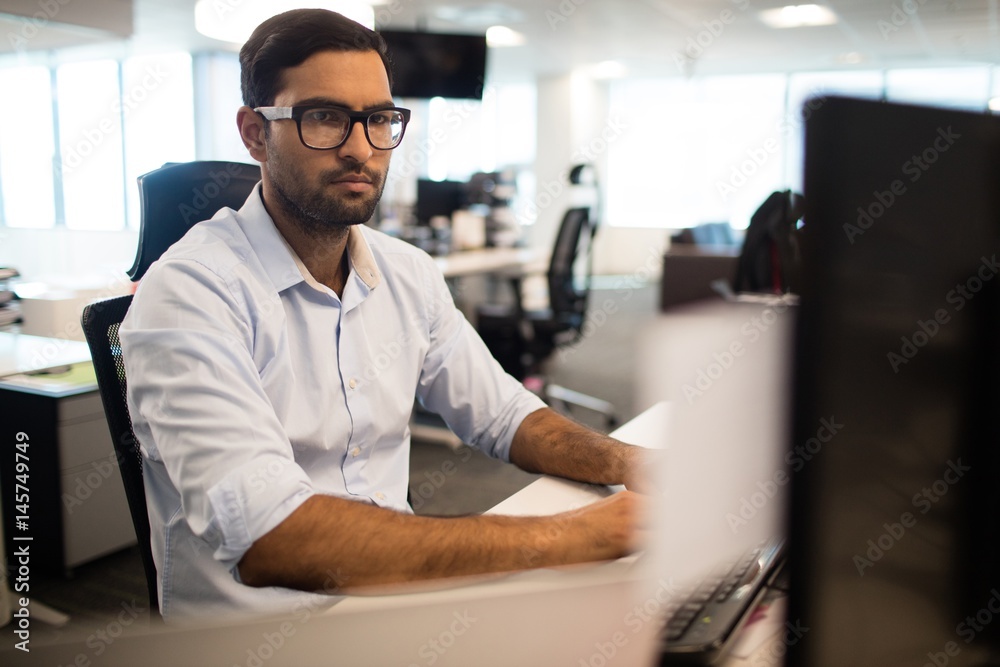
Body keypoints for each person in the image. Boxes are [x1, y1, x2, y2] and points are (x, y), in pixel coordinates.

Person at [120, 8, 646, 622]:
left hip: (395, 605)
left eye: (378, 120)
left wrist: (628, 463)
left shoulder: (407, 272)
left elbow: (503, 415)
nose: (360, 149)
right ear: (255, 133)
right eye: (324, 118)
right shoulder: (191, 294)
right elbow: (271, 537)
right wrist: (580, 537)